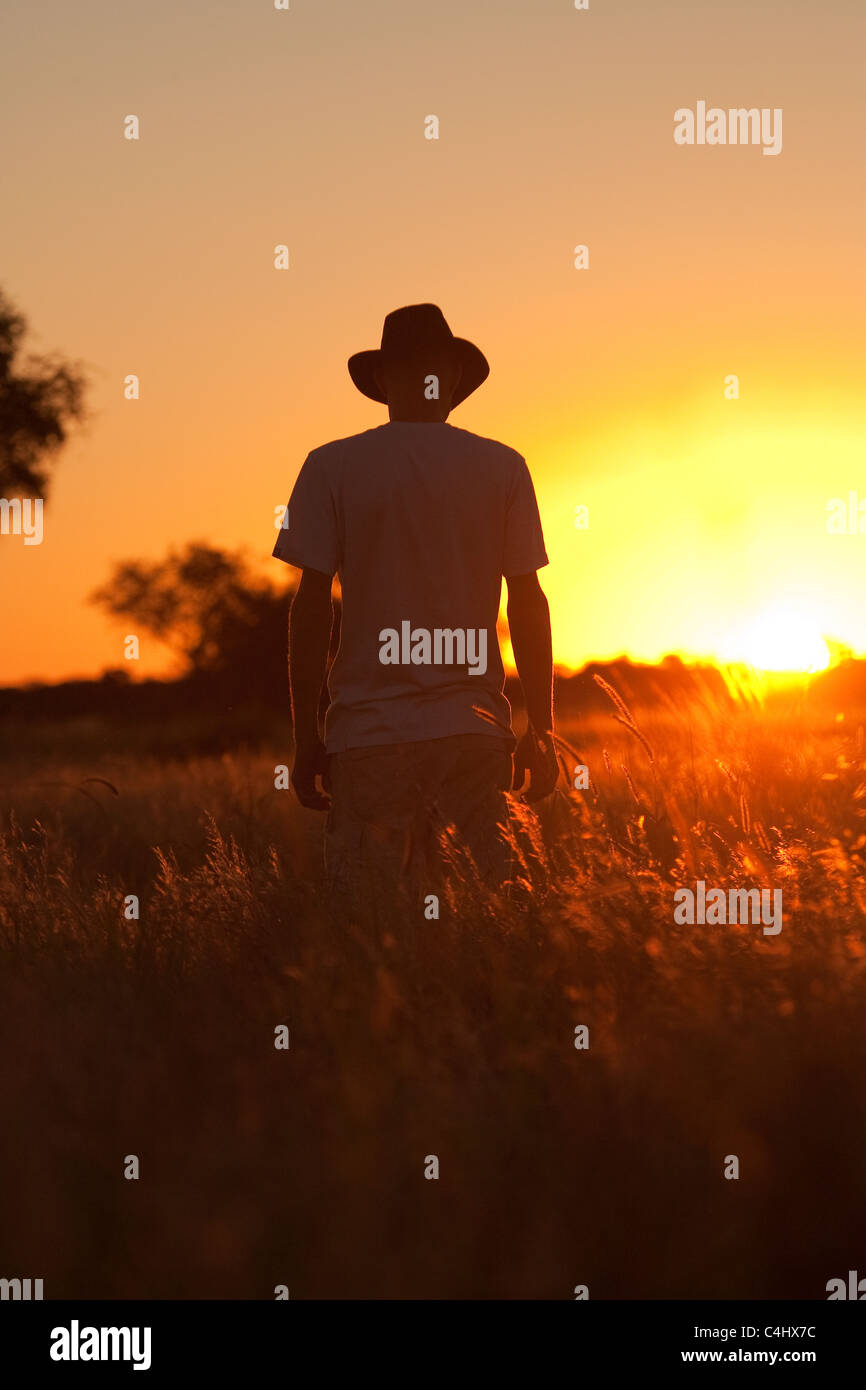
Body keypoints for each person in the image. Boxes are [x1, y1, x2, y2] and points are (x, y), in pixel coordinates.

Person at [273, 304, 558, 902]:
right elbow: (528, 601)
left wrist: (307, 739)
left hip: (370, 739)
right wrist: (544, 729)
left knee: (373, 938)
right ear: (452, 378)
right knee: (489, 925)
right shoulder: (502, 466)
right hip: (473, 735)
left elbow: (310, 609)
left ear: (381, 381)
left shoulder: (331, 466)